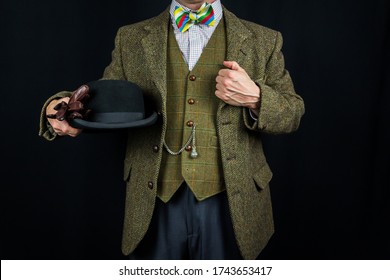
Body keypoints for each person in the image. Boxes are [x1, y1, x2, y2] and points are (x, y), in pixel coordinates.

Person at [39, 0, 305, 259]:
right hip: (154, 197)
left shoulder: (263, 39)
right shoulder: (130, 38)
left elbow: (292, 114)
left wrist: (256, 98)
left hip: (231, 200)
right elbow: (107, 98)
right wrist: (64, 107)